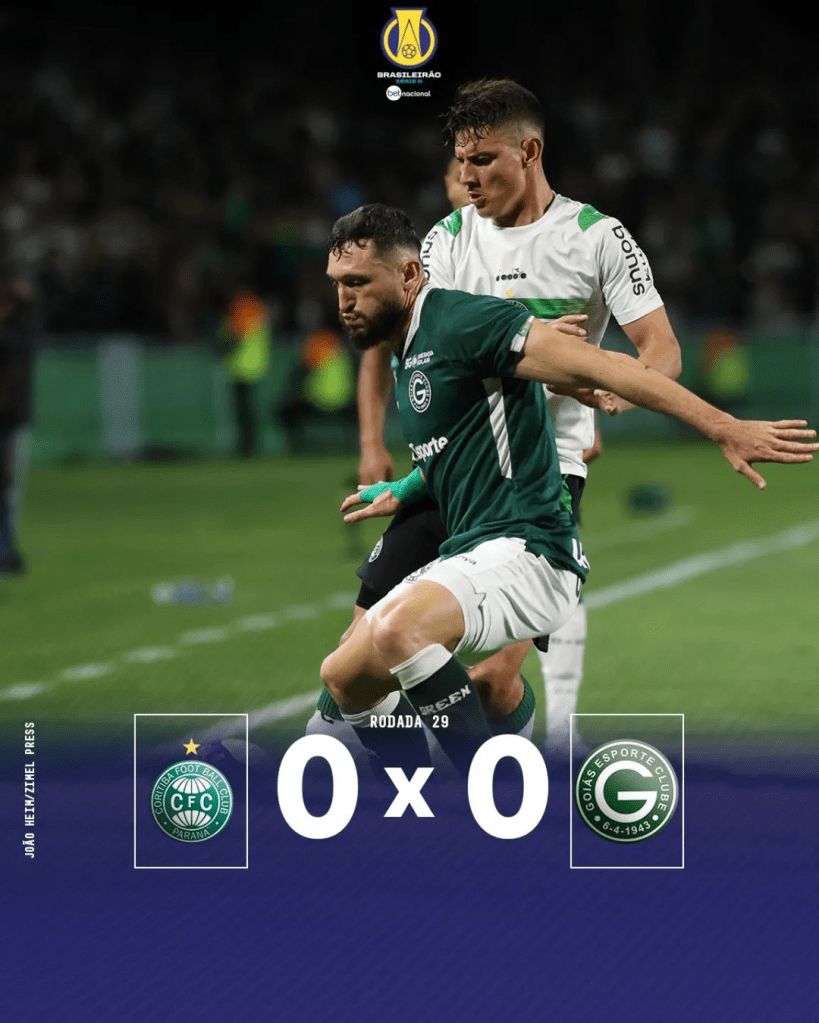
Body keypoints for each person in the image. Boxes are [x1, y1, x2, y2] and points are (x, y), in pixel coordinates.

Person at [318, 202, 815, 775]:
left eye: (358, 282)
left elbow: (609, 367)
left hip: (531, 550)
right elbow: (456, 445)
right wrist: (405, 488)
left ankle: (481, 804)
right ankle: (417, 790)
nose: (344, 300)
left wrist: (721, 425)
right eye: (337, 284)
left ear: (409, 275)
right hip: (473, 548)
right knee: (344, 675)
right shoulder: (410, 345)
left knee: (398, 631)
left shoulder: (463, 320)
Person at [312, 77, 681, 759]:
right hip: (450, 470)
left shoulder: (596, 237)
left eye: (480, 160)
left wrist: (615, 391)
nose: (465, 177)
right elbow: (412, 336)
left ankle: (498, 786)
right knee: (356, 655)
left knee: (491, 681)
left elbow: (660, 349)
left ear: (528, 152)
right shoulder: (448, 240)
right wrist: (374, 441)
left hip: (542, 476)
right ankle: (419, 783)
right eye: (461, 162)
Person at [0, 280, 36, 575]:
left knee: (9, 490)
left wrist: (27, 304)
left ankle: (7, 550)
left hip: (12, 421)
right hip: (11, 421)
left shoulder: (19, 336)